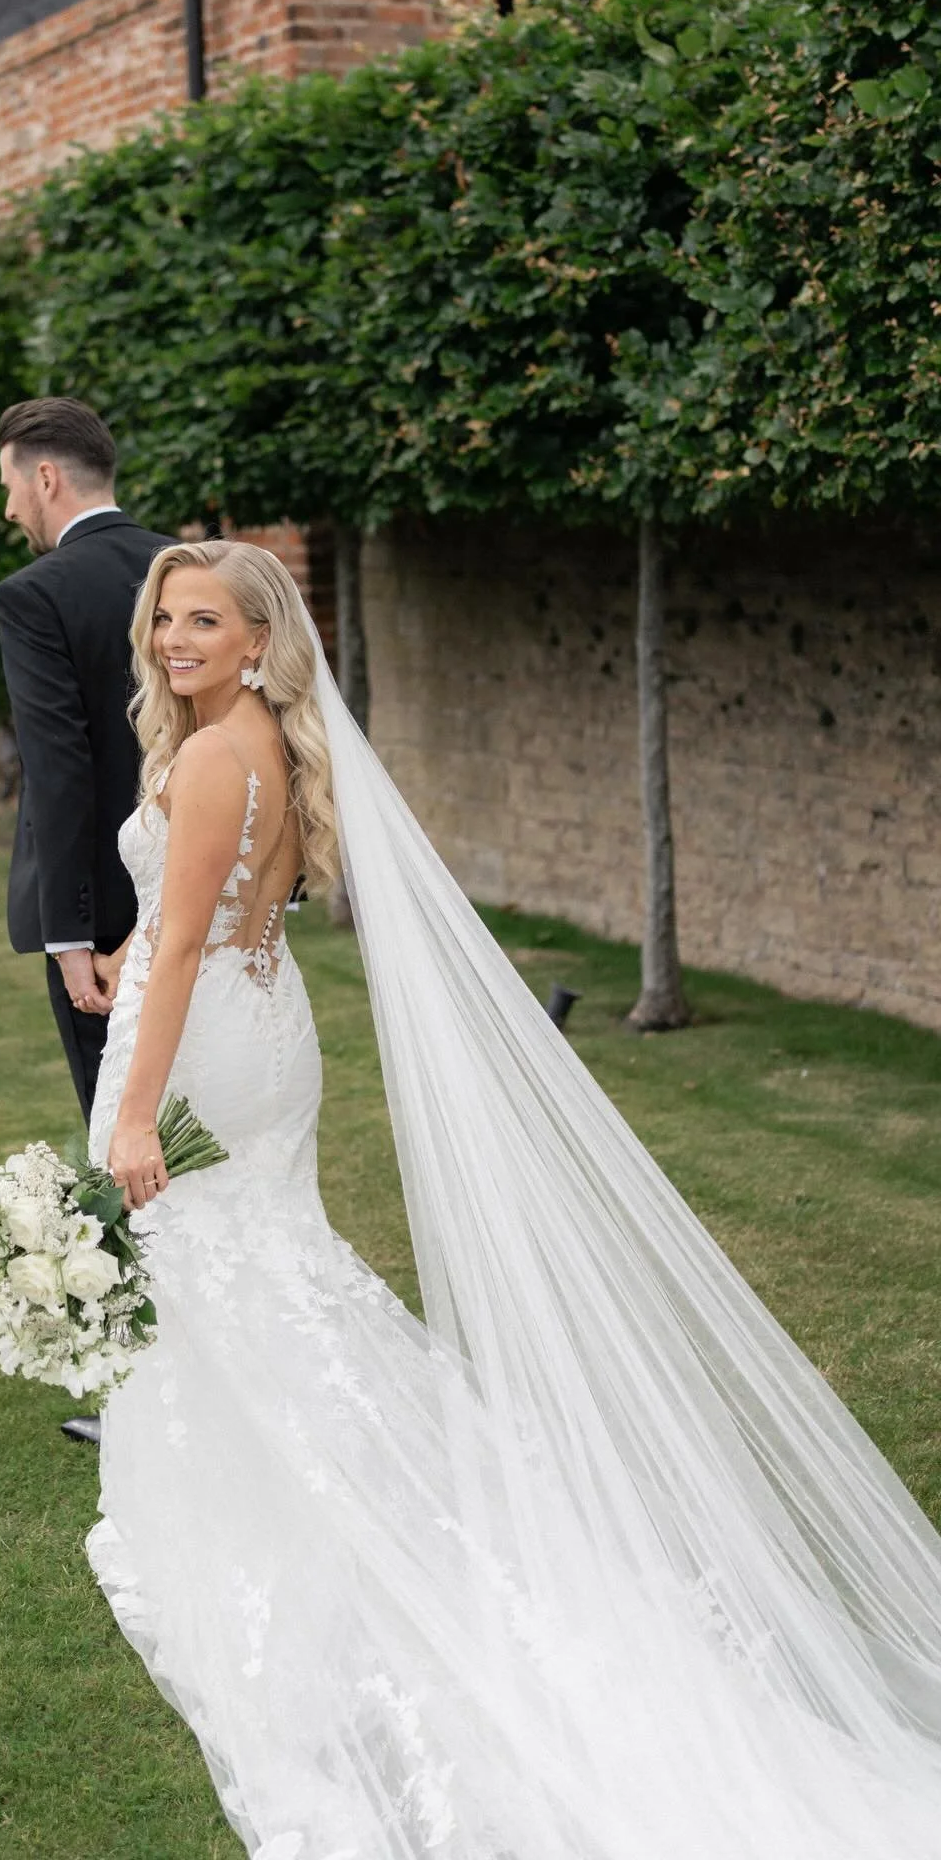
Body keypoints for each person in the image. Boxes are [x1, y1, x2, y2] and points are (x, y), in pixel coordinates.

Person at [83, 538, 941, 1859]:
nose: (174, 640)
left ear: (257, 641)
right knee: (264, 1271)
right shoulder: (247, 738)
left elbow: (194, 932)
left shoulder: (207, 753)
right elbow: (195, 904)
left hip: (212, 1039)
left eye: (203, 622)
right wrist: (133, 942)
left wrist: (136, 1106)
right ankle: (289, 1503)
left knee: (235, 1269)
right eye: (164, 620)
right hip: (264, 1030)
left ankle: (329, 1541)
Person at [0, 397, 172, 1121]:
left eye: (7, 487)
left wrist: (69, 934)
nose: (9, 511)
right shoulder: (197, 570)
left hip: (106, 927)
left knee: (128, 1144)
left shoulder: (37, 596)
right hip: (217, 898)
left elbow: (58, 770)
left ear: (43, 478)